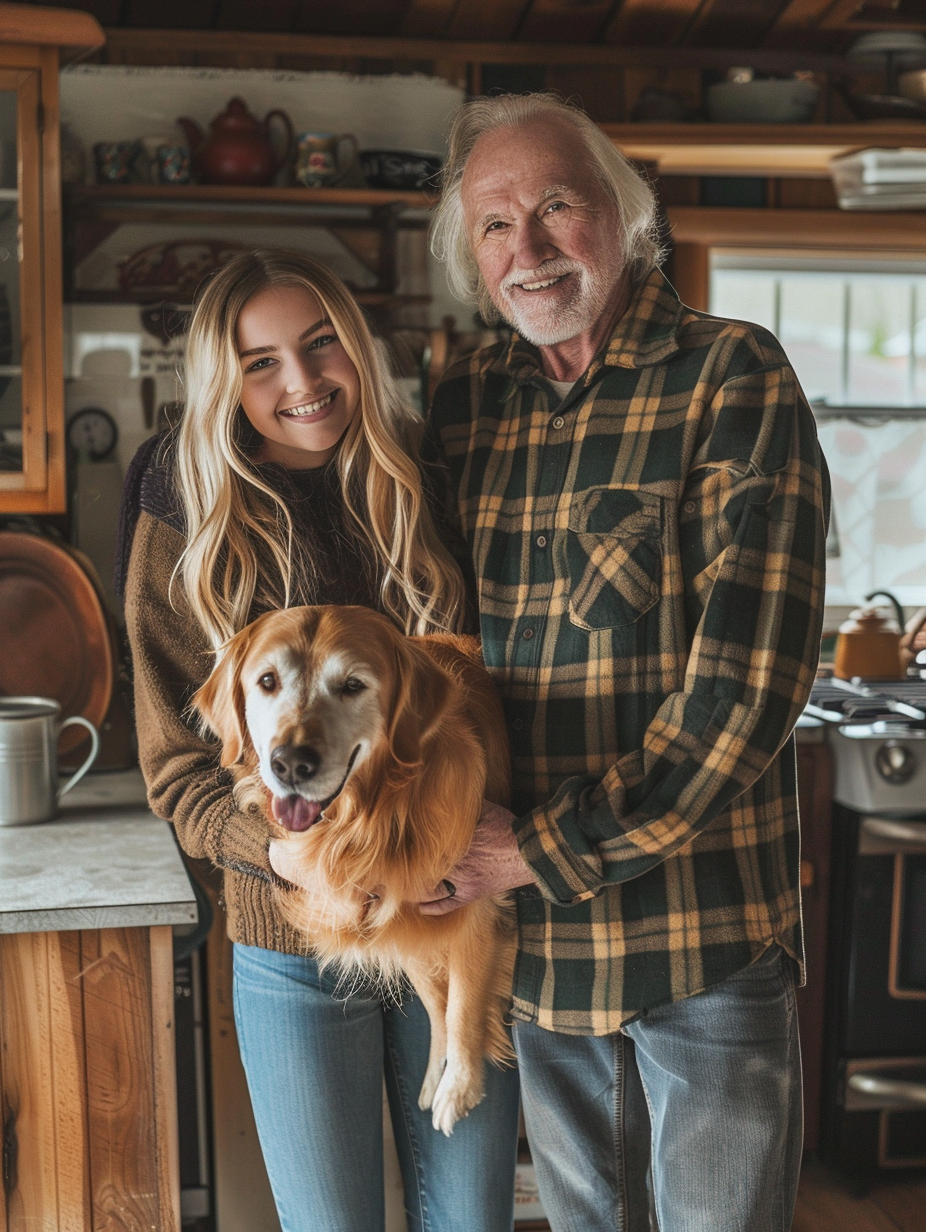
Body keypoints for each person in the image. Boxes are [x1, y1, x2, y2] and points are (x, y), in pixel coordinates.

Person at [420, 94, 829, 1232]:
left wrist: (528, 849)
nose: (530, 249)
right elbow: (425, 645)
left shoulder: (731, 378)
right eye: (495, 226)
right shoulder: (462, 408)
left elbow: (745, 694)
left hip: (697, 941)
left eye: (556, 206)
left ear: (624, 214)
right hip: (540, 956)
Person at [116, 248, 520, 1232]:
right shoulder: (183, 518)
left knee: (470, 1218)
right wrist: (284, 854)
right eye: (260, 362)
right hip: (291, 935)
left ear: (358, 342)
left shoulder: (435, 477)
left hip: (450, 919)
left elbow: (495, 691)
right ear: (225, 378)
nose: (300, 382)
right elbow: (178, 770)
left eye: (319, 342)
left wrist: (488, 838)